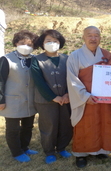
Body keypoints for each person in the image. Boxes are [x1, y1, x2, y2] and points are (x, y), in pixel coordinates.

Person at [66, 26, 111, 168]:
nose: (93, 38)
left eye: (96, 35)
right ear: (83, 37)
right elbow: (72, 80)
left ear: (100, 38)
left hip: (104, 98)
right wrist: (85, 96)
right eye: (89, 35)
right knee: (84, 125)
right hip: (85, 98)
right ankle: (81, 154)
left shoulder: (106, 55)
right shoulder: (75, 56)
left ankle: (101, 150)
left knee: (105, 122)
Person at [30, 30, 73, 164]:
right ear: (42, 43)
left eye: (55, 41)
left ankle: (62, 148)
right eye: (48, 41)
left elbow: (72, 78)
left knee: (65, 125)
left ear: (60, 43)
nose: (52, 43)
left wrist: (67, 94)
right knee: (49, 126)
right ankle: (49, 151)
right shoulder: (36, 60)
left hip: (66, 100)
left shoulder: (67, 58)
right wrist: (53, 97)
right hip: (45, 101)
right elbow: (38, 81)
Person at [0, 30, 38, 162]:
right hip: (12, 100)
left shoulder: (34, 59)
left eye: (30, 44)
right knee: (13, 128)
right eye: (22, 43)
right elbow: (0, 80)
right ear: (16, 43)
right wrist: (1, 100)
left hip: (30, 100)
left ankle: (25, 147)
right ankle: (16, 152)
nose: (26, 47)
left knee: (28, 126)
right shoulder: (6, 59)